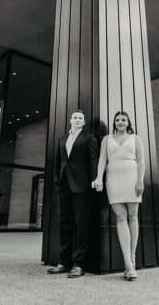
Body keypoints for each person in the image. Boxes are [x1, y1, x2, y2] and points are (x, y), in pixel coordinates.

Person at [92, 111, 145, 281]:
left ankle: (133, 258)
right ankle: (128, 264)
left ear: (128, 122)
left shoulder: (135, 138)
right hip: (114, 178)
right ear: (114, 123)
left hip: (132, 177)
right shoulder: (106, 139)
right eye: (117, 120)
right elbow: (102, 160)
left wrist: (140, 181)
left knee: (132, 215)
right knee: (120, 217)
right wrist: (99, 178)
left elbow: (141, 161)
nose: (120, 122)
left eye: (123, 119)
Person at [46, 110, 99, 278]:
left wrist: (95, 179)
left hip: (82, 186)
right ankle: (64, 262)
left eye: (80, 118)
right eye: (75, 117)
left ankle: (78, 264)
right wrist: (56, 180)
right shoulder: (63, 139)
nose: (77, 120)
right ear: (70, 120)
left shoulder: (89, 138)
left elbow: (93, 160)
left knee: (81, 224)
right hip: (64, 186)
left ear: (83, 122)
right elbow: (58, 162)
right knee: (65, 223)